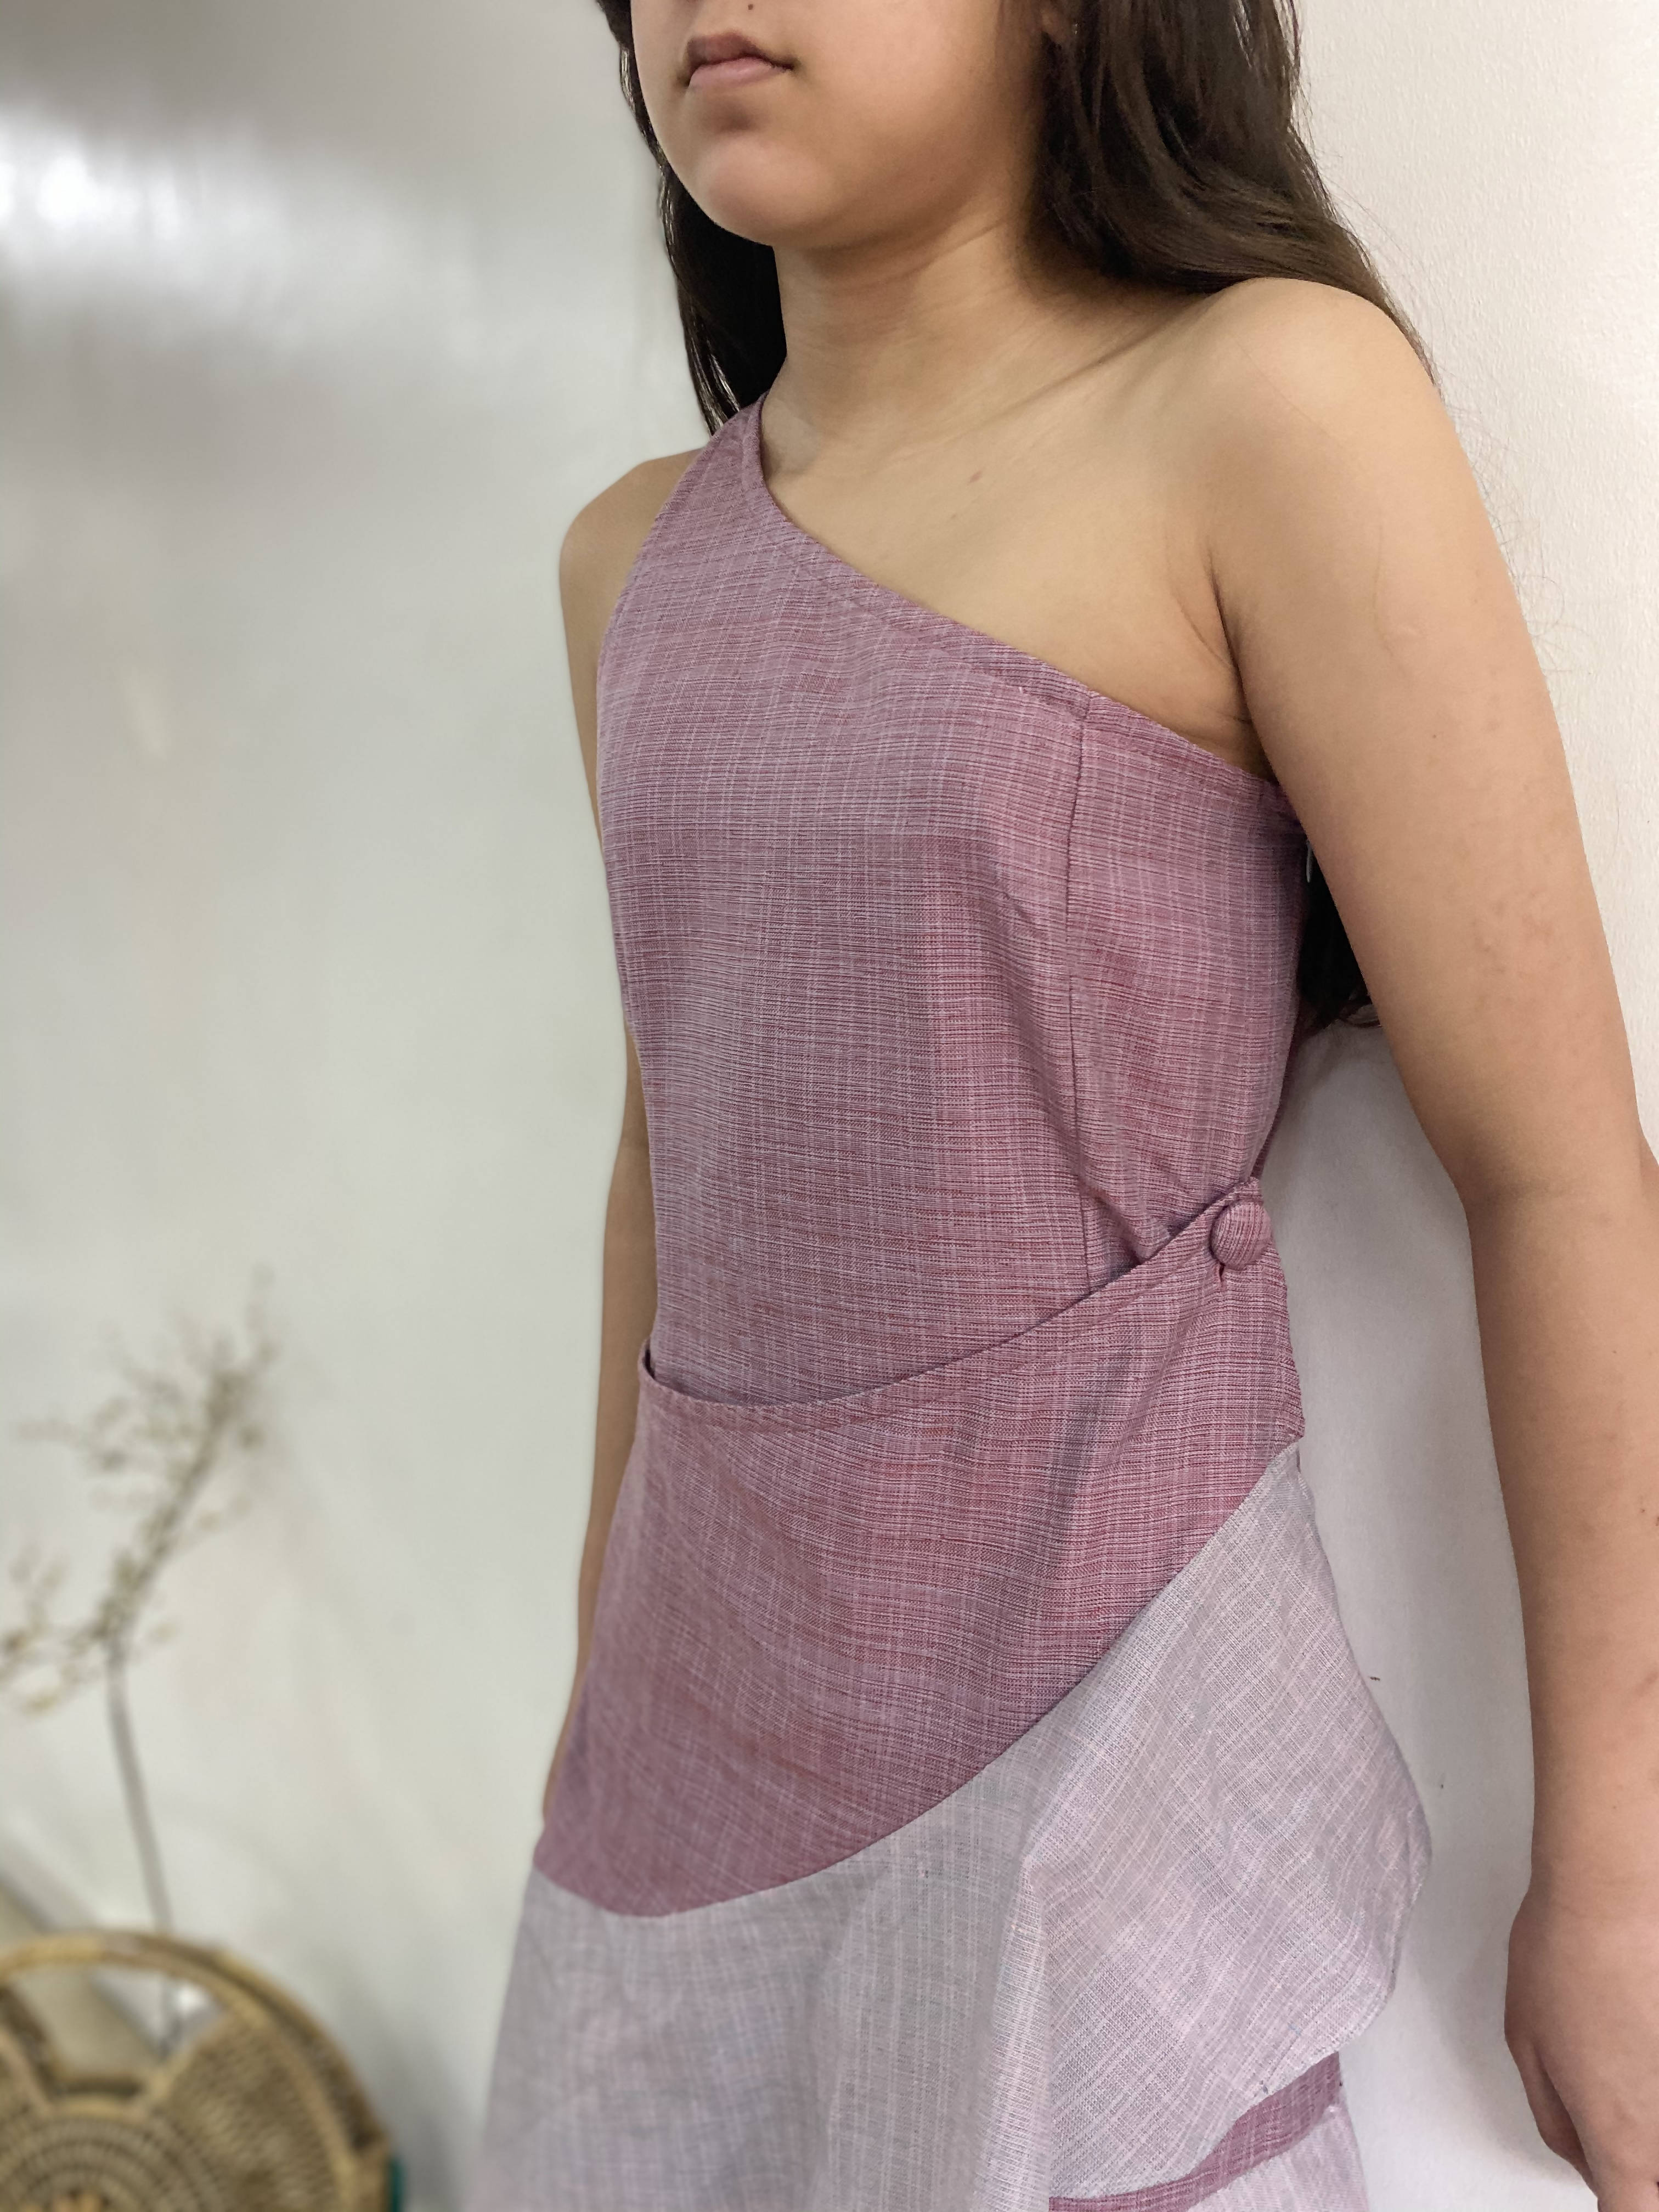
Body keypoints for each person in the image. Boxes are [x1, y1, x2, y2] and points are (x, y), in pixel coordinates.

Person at [467, 0, 1659, 2206]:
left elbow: (1559, 1169)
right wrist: (588, 1699)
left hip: (1094, 1732)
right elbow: (671, 1161)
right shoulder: (627, 562)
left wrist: (1619, 1868)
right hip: (689, 1756)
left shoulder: (1261, 410)